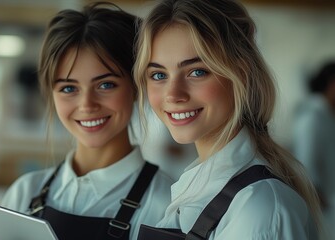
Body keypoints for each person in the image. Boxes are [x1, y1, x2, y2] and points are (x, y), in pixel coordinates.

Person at [0, 2, 173, 240]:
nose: (87, 104)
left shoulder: (166, 204)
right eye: (68, 88)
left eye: (106, 85)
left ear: (137, 87)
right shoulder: (25, 192)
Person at [133, 0, 324, 239]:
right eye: (159, 74)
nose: (173, 94)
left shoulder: (257, 207)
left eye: (197, 72)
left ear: (240, 75)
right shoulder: (200, 186)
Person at [292, 61, 335, 238]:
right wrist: (323, 203)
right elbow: (305, 166)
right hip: (324, 209)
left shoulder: (327, 115)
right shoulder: (312, 117)